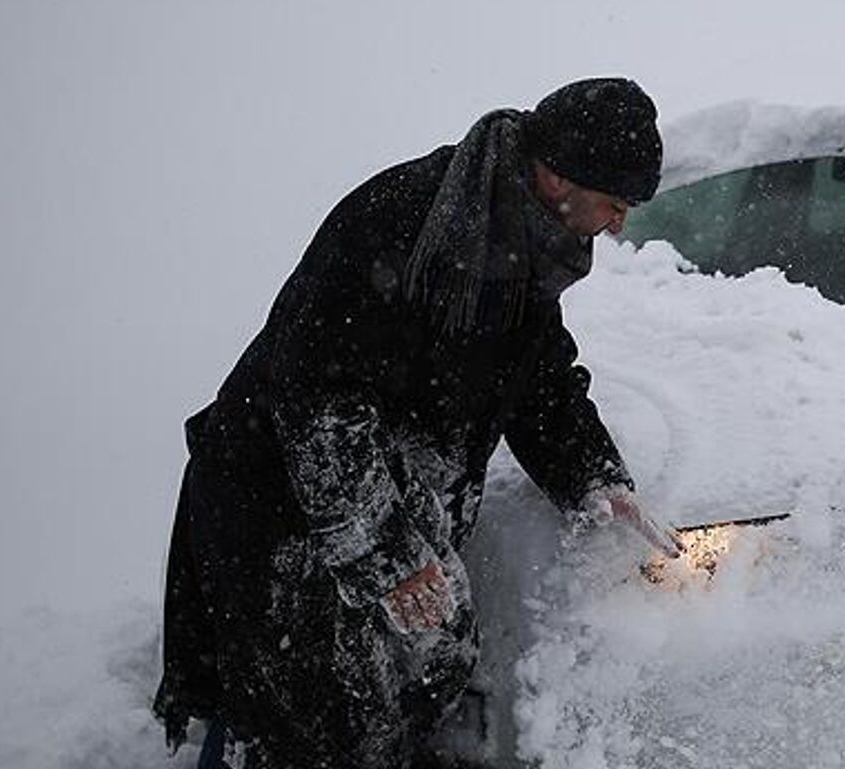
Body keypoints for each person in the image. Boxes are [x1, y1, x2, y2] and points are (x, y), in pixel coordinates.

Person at [153, 77, 684, 769]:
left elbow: (540, 383)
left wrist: (595, 476)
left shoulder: (523, 247)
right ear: (558, 178)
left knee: (416, 677)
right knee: (308, 727)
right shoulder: (405, 225)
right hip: (283, 511)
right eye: (615, 204)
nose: (619, 225)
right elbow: (320, 408)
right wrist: (393, 557)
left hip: (380, 505)